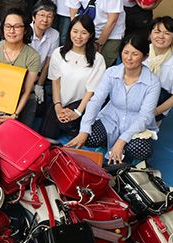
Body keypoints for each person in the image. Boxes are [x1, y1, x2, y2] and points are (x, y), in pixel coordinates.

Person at [67, 34, 161, 164]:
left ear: (145, 57)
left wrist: (121, 141)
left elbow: (144, 117)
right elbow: (96, 101)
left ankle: (122, 151)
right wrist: (84, 131)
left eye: (135, 54)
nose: (129, 58)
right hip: (111, 119)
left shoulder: (153, 82)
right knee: (88, 136)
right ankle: (109, 144)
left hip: (136, 125)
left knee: (140, 149)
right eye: (126, 52)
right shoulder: (111, 73)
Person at [42, 15, 105, 139]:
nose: (78, 36)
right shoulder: (59, 53)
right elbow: (55, 81)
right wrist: (57, 105)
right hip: (60, 102)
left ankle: (75, 127)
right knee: (46, 135)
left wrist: (78, 112)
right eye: (75, 31)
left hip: (81, 104)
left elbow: (91, 91)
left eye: (84, 33)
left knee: (65, 123)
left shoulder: (98, 59)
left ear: (90, 35)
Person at [0, 9, 41, 127]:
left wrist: (14, 115)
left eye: (17, 27)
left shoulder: (33, 56)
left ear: (25, 29)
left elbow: (27, 90)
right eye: (8, 26)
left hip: (19, 102)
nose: (12, 31)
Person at [146, 16, 173, 122]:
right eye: (157, 32)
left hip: (158, 100)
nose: (161, 36)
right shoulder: (140, 51)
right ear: (150, 34)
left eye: (167, 33)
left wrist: (155, 112)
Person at [30, 0, 60, 109]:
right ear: (33, 17)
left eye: (49, 16)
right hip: (23, 74)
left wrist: (39, 85)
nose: (45, 20)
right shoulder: (25, 31)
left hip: (41, 75)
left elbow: (48, 62)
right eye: (42, 15)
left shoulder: (54, 34)